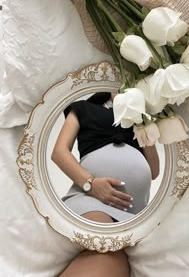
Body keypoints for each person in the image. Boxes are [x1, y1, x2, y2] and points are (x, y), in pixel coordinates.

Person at [51, 92, 160, 277]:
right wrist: (90, 184)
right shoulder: (83, 108)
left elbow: (154, 171)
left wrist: (142, 119)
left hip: (132, 212)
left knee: (114, 256)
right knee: (103, 232)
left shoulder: (141, 114)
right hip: (88, 199)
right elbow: (59, 152)